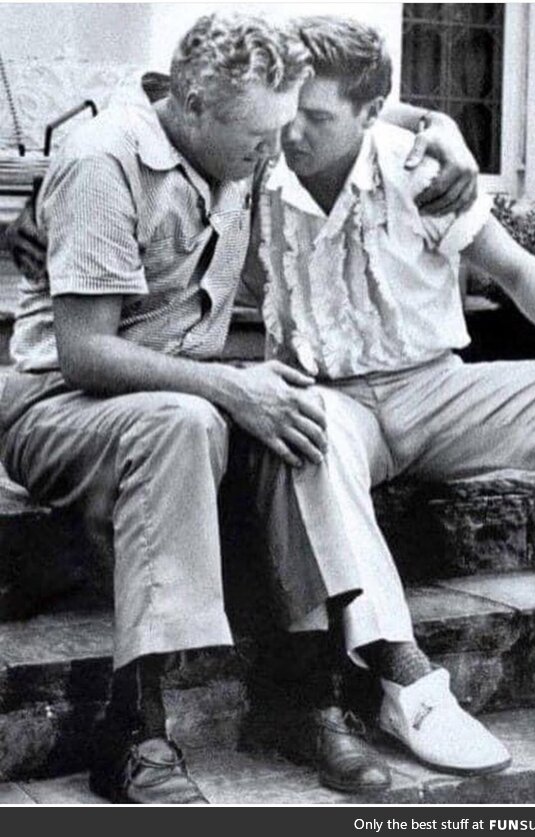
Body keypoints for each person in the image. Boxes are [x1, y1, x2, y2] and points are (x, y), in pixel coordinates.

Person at [0, 13, 480, 803]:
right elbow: (85, 352)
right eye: (260, 136)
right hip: (59, 405)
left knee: (296, 411)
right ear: (190, 106)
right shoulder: (102, 162)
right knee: (190, 418)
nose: (276, 151)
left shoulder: (236, 137)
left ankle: (303, 701)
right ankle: (136, 730)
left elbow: (347, 101)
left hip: (171, 401)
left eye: (284, 128)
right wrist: (229, 385)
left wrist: (440, 127)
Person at [240, 16, 535, 783]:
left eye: (317, 118)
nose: (294, 134)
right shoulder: (262, 167)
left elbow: (518, 273)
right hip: (337, 402)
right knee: (306, 425)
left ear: (368, 110)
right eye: (289, 112)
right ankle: (408, 681)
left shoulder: (421, 171)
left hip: (436, 391)